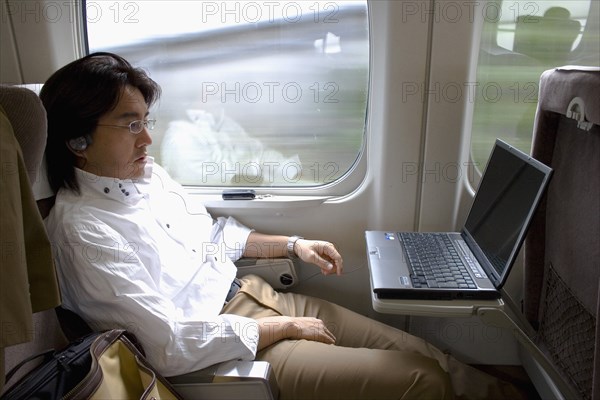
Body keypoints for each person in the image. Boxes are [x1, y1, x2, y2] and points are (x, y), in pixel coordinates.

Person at [41, 52, 527, 399]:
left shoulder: (147, 177)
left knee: (427, 353)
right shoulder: (84, 231)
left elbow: (216, 238)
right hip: (220, 347)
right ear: (77, 139)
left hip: (253, 294)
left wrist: (294, 243)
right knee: (422, 380)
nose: (148, 137)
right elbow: (166, 347)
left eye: (147, 120)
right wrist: (284, 328)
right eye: (130, 125)